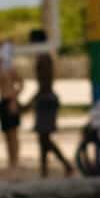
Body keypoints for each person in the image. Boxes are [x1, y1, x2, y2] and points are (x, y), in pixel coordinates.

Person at [24, 28, 73, 178]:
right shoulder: (44, 57)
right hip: (46, 99)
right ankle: (45, 171)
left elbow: (44, 85)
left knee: (44, 138)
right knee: (43, 138)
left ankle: (64, 166)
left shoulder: (44, 58)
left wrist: (29, 103)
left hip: (46, 100)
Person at [0, 39, 23, 171]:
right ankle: (10, 160)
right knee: (7, 134)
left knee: (13, 134)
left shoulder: (9, 69)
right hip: (2, 102)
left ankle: (15, 161)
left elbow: (21, 84)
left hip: (10, 101)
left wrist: (14, 99)